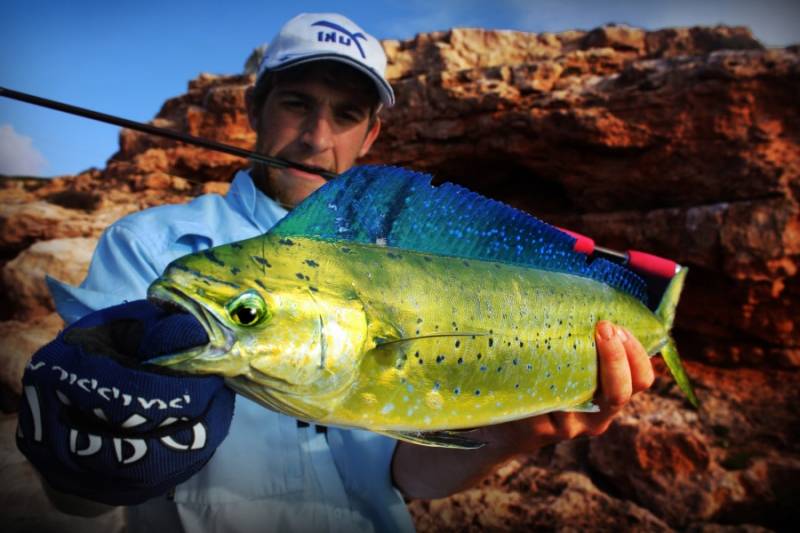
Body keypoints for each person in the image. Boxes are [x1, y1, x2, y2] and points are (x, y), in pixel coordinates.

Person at [17, 12, 655, 532]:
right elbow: (80, 504)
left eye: (346, 115)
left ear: (372, 135)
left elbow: (407, 479)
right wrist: (83, 461)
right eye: (297, 103)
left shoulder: (406, 260)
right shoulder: (149, 247)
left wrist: (524, 432)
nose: (317, 138)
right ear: (254, 108)